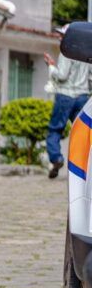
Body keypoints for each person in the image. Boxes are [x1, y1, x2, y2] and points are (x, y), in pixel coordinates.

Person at [45, 26, 92, 179]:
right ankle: (84, 164)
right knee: (82, 131)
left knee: (55, 129)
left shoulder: (66, 52)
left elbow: (62, 75)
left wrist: (51, 67)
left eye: (62, 35)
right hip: (83, 96)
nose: (59, 37)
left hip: (65, 96)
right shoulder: (86, 52)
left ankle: (57, 158)